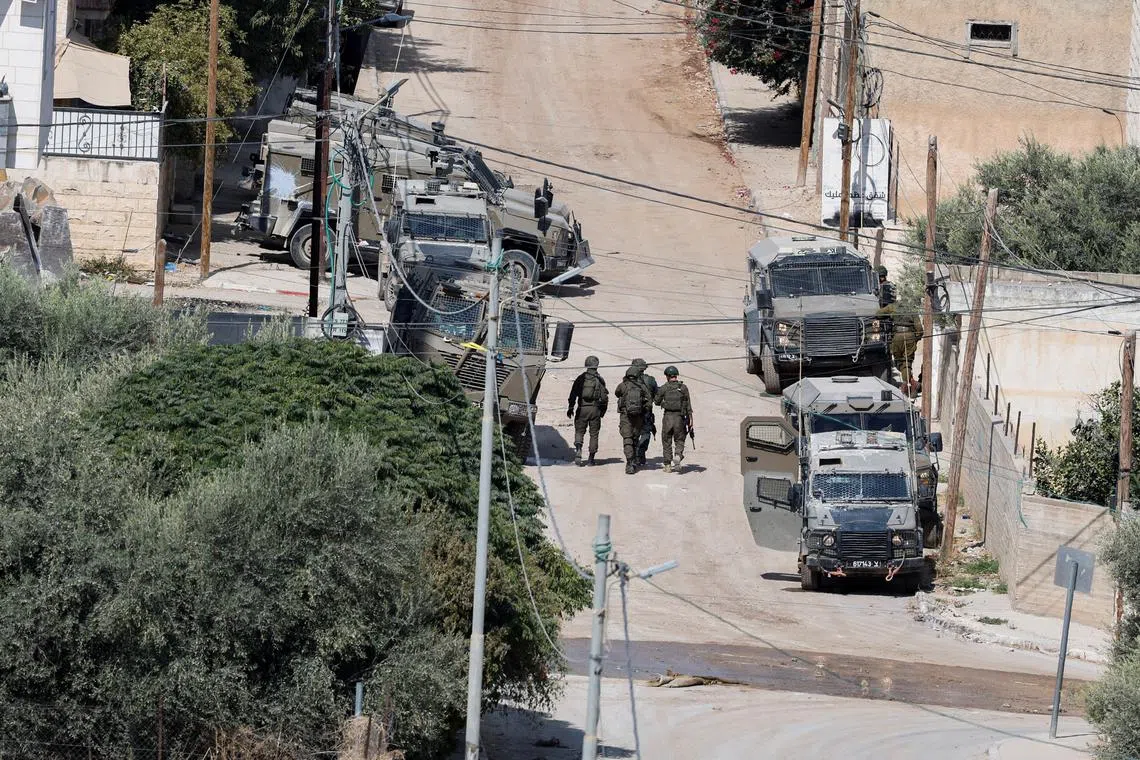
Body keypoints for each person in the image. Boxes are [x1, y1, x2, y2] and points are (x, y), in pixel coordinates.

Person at [566, 355, 608, 466]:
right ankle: (591, 459)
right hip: (595, 410)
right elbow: (604, 398)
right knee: (594, 434)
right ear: (597, 365)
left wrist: (570, 408)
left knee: (579, 431)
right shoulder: (600, 380)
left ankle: (579, 450)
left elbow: (573, 394)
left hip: (582, 409)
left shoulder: (581, 378)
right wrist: (602, 411)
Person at [654, 365, 693, 473]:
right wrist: (691, 420)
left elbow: (656, 401)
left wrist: (664, 403)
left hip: (667, 418)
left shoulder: (664, 388)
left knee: (666, 441)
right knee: (680, 439)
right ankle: (678, 455)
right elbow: (688, 405)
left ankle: (667, 465)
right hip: (679, 418)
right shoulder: (683, 387)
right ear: (676, 375)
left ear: (667, 376)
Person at [615, 364, 652, 474]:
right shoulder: (642, 386)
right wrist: (644, 410)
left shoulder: (623, 385)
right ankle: (634, 459)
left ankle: (629, 462)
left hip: (626, 416)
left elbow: (617, 393)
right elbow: (649, 401)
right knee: (635, 439)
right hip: (639, 417)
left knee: (627, 439)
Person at [631, 358, 658, 466]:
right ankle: (640, 452)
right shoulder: (650, 380)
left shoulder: (628, 380)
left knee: (634, 433)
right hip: (646, 411)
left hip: (632, 411)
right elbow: (657, 396)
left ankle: (635, 454)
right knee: (646, 432)